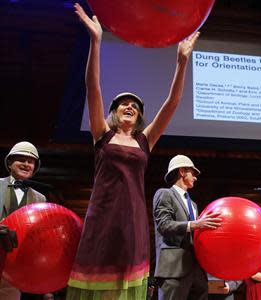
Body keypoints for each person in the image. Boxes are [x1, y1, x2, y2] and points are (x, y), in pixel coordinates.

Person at [66, 3, 200, 299]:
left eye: (135, 106)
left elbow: (172, 103)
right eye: (124, 104)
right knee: (97, 280)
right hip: (103, 217)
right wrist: (96, 41)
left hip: (133, 219)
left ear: (139, 117)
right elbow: (93, 88)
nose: (130, 106)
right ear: (114, 112)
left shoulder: (145, 141)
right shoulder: (102, 135)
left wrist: (181, 62)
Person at [153, 154, 222, 300]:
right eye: (193, 172)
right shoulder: (165, 194)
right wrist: (195, 224)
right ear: (182, 171)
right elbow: (164, 225)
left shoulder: (194, 205)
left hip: (196, 271)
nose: (196, 178)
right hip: (174, 268)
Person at [0, 141, 46, 299]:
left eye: (31, 161)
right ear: (10, 163)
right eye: (21, 159)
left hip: (14, 271)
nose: (26, 164)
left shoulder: (40, 198)